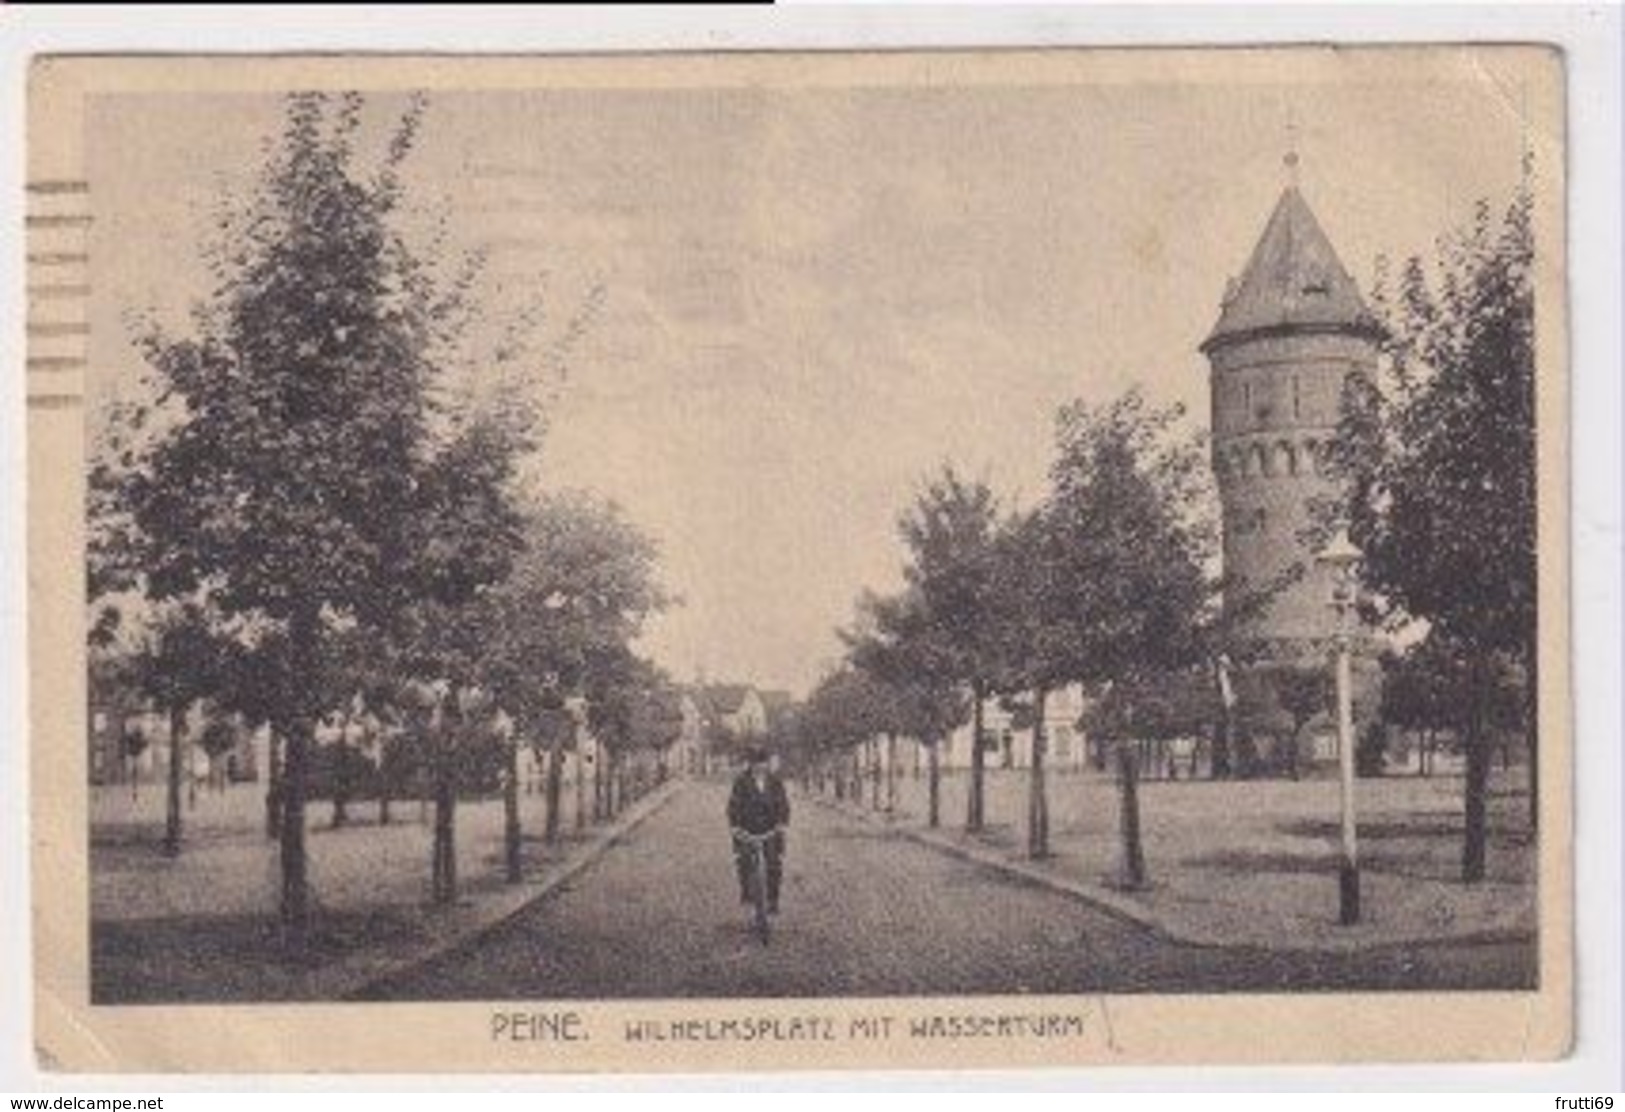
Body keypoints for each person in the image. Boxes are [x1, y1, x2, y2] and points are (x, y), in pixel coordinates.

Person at [727, 746, 790, 915]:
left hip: (770, 829)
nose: (760, 767)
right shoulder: (741, 781)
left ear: (767, 764)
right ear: (751, 764)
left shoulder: (775, 782)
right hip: (747, 829)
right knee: (744, 860)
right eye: (756, 763)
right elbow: (733, 805)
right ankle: (747, 893)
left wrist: (782, 823)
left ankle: (773, 900)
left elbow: (783, 803)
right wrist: (735, 826)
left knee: (774, 864)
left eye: (763, 763)